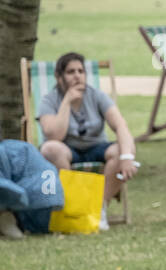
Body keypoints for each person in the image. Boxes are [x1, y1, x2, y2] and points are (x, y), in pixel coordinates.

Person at [36, 51, 140, 230]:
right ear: (59, 77)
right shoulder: (49, 100)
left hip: (95, 147)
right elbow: (54, 136)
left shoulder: (97, 96)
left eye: (80, 71)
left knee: (123, 149)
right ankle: (72, 206)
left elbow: (121, 126)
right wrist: (67, 102)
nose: (77, 76)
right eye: (70, 72)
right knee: (50, 148)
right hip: (67, 150)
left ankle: (99, 208)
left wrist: (126, 157)